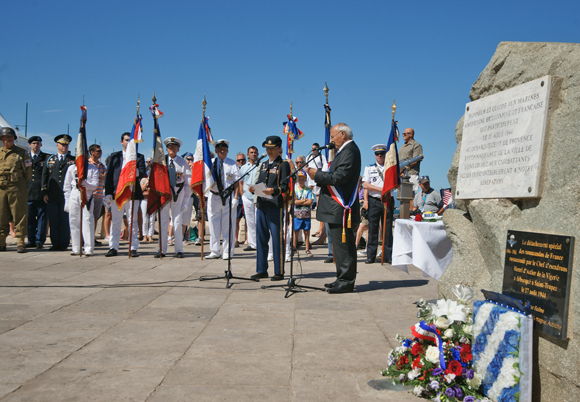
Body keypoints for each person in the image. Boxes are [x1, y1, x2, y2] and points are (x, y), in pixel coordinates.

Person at [306, 123, 361, 294]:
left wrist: (318, 175)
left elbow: (340, 176)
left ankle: (346, 282)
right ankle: (341, 278)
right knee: (339, 246)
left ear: (342, 135)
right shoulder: (344, 151)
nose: (330, 140)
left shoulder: (350, 151)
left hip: (341, 207)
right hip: (335, 208)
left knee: (344, 246)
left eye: (332, 136)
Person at [249, 135, 290, 281]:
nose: (269, 151)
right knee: (261, 237)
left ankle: (279, 271)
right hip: (261, 204)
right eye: (267, 148)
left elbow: (285, 186)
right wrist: (253, 189)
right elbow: (260, 182)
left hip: (274, 205)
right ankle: (261, 269)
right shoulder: (263, 164)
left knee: (277, 238)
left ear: (279, 148)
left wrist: (273, 190)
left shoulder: (283, 164)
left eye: (272, 148)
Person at [104, 132, 147, 257]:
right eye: (126, 140)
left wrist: (133, 168)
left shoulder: (139, 157)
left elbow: (143, 173)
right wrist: (107, 193)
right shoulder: (115, 156)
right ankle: (113, 247)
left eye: (131, 141)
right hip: (117, 193)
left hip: (133, 192)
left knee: (132, 220)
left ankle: (133, 247)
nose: (128, 143)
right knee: (116, 221)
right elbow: (109, 175)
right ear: (121, 142)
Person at [155, 137, 192, 258]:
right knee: (163, 222)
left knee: (177, 221)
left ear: (178, 149)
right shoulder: (161, 161)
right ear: (166, 148)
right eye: (170, 147)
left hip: (178, 194)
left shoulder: (182, 162)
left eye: (174, 147)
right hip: (164, 195)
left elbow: (188, 182)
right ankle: (162, 249)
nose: (172, 149)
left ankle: (179, 249)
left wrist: (186, 200)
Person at [206, 139, 241, 260]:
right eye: (220, 150)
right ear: (215, 151)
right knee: (213, 224)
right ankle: (214, 250)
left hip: (228, 196)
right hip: (214, 196)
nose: (223, 152)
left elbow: (237, 182)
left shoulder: (232, 164)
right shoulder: (210, 163)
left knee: (228, 225)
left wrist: (236, 197)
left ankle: (227, 251)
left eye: (225, 150)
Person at [0, 127, 32, 253]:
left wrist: (21, 184)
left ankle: (20, 242)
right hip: (1, 187)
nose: (9, 140)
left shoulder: (22, 153)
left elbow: (28, 172)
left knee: (20, 214)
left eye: (11, 138)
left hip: (17, 187)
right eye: (6, 138)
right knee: (1, 215)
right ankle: (1, 241)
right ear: (2, 140)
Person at [42, 134, 75, 251]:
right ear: (57, 145)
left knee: (65, 220)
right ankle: (55, 243)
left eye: (66, 144)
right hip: (53, 194)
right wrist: (45, 192)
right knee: (54, 219)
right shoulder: (50, 159)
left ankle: (64, 243)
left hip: (67, 195)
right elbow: (45, 176)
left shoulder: (72, 160)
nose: (64, 146)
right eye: (62, 144)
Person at [362, 144, 393, 264]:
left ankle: (387, 255)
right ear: (374, 155)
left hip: (387, 200)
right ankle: (371, 256)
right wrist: (381, 189)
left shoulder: (390, 168)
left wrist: (384, 191)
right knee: (372, 229)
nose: (379, 156)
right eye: (377, 154)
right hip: (374, 200)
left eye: (382, 153)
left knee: (387, 230)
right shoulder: (369, 168)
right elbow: (365, 185)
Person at [63, 158, 100, 256]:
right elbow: (66, 185)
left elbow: (95, 185)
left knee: (87, 221)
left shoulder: (93, 168)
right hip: (74, 193)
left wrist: (87, 185)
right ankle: (76, 247)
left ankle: (88, 248)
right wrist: (67, 201)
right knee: (73, 220)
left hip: (87, 194)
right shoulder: (72, 168)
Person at [27, 135, 49, 249]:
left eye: (38, 143)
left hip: (41, 193)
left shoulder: (46, 158)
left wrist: (45, 191)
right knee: (29, 218)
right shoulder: (25, 157)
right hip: (28, 192)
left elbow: (47, 176)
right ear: (30, 144)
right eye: (34, 143)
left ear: (41, 145)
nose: (36, 145)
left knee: (42, 218)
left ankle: (39, 240)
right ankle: (31, 239)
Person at [240, 146, 259, 252]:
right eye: (251, 152)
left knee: (258, 221)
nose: (253, 154)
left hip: (257, 197)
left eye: (255, 152)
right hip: (247, 197)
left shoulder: (260, 166)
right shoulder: (244, 167)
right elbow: (240, 182)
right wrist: (242, 195)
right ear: (248, 154)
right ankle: (252, 244)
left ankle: (259, 243)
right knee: (250, 221)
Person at [308, 142, 328, 239]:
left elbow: (325, 166)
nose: (314, 150)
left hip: (318, 178)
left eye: (315, 148)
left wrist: (320, 175)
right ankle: (310, 205)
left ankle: (321, 228)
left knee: (319, 197)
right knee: (309, 194)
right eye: (312, 148)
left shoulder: (322, 157)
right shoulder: (309, 157)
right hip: (310, 179)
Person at [88, 144, 106, 245]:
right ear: (92, 152)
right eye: (98, 151)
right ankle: (84, 237)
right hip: (90, 194)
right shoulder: (87, 163)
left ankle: (92, 237)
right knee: (87, 217)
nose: (100, 153)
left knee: (95, 217)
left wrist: (96, 175)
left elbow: (104, 177)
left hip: (99, 194)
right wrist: (98, 176)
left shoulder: (101, 165)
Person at [293, 170, 314, 257]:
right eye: (299, 179)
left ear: (305, 180)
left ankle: (307, 248)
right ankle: (294, 248)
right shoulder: (295, 189)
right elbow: (294, 201)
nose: (301, 181)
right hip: (297, 214)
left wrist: (300, 202)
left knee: (306, 231)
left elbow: (310, 201)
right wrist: (304, 200)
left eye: (303, 179)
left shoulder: (308, 190)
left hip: (306, 214)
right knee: (296, 231)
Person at [234, 151, 246, 247]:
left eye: (243, 160)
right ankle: (235, 239)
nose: (241, 161)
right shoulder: (234, 170)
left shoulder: (248, 169)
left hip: (246, 197)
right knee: (236, 219)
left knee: (247, 220)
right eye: (239, 160)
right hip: (237, 197)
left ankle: (247, 239)